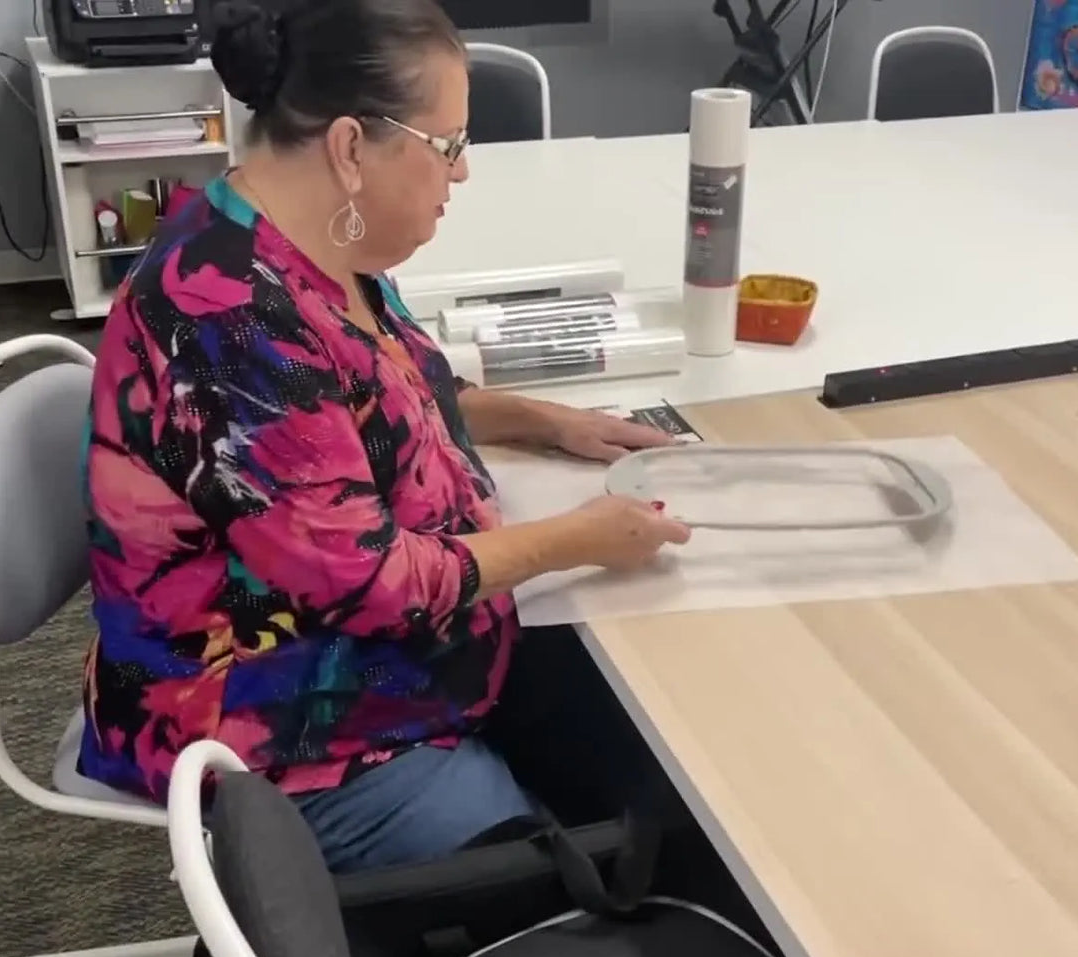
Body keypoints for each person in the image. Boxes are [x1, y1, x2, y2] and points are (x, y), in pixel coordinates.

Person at [78, 0, 692, 875]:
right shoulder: (231, 318)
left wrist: (547, 421)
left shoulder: (317, 245)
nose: (463, 171)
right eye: (448, 145)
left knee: (660, 747)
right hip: (274, 726)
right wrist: (573, 539)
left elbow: (379, 393)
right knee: (621, 852)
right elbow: (371, 583)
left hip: (382, 652)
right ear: (350, 147)